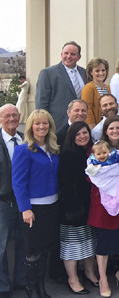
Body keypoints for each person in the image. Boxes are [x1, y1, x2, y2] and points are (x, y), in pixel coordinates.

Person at [11, 109, 60, 298]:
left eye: (45, 123)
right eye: (37, 123)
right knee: (33, 251)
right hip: (34, 209)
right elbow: (18, 182)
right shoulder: (23, 150)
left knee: (46, 249)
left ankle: (41, 289)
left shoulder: (53, 148)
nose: (42, 126)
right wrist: (25, 209)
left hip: (52, 206)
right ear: (31, 126)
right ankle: (32, 291)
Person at [87, 119, 119, 297]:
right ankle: (103, 279)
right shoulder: (96, 149)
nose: (115, 131)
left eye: (118, 128)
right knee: (104, 242)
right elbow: (90, 174)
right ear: (106, 131)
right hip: (102, 203)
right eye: (111, 128)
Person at [57, 122, 101, 294]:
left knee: (90, 242)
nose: (82, 136)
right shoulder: (67, 154)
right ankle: (72, 278)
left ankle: (90, 272)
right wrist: (74, 208)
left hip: (90, 206)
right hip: (72, 209)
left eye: (85, 133)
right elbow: (65, 185)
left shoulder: (91, 152)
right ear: (72, 136)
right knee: (72, 245)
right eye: (78, 134)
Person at [0, 105, 24, 296]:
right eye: (7, 116)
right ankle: (3, 287)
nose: (11, 119)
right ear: (0, 118)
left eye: (14, 115)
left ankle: (22, 280)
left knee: (24, 243)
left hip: (24, 202)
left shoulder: (24, 139)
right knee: (1, 246)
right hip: (3, 202)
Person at [35, 41, 87, 129]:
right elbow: (41, 101)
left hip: (81, 125)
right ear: (61, 54)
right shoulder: (48, 73)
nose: (68, 56)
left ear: (79, 57)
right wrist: (43, 123)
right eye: (66, 53)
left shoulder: (84, 73)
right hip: (58, 124)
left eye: (73, 54)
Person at [82, 58, 111, 128]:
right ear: (91, 72)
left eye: (103, 70)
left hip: (107, 125)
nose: (101, 73)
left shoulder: (108, 88)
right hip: (96, 126)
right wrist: (91, 126)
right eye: (97, 71)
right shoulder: (88, 88)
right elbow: (87, 109)